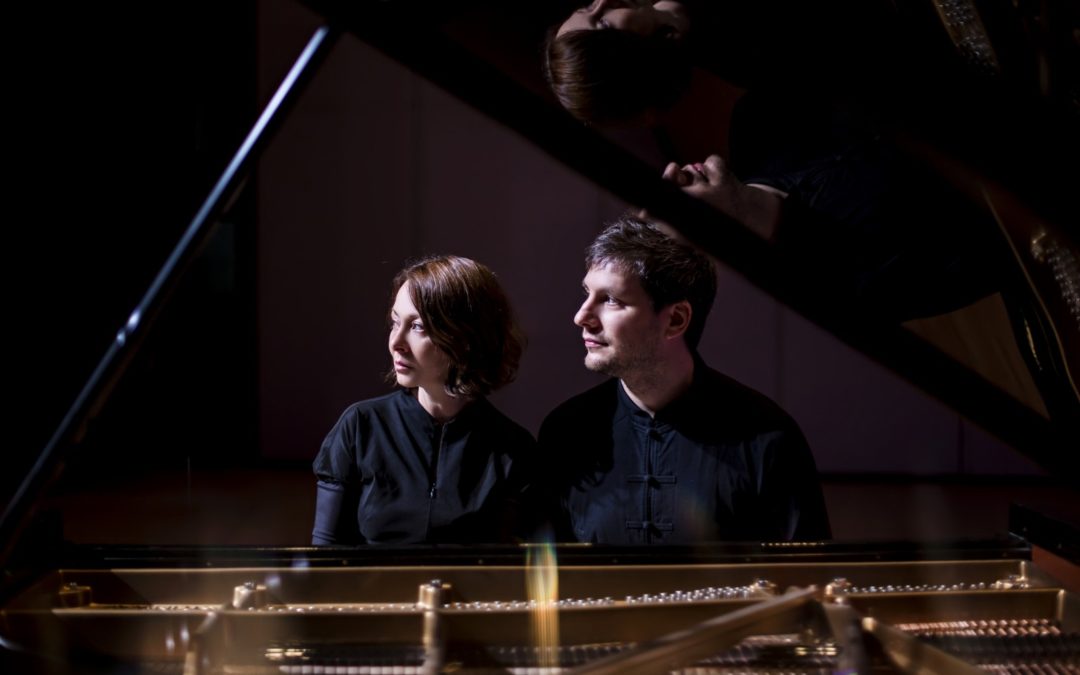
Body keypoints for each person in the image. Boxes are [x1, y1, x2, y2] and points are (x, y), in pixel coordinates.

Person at [538, 218, 831, 544]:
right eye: (587, 294)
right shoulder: (565, 432)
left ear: (675, 320)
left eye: (611, 299)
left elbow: (804, 580)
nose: (581, 316)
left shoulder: (768, 437)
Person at [311, 255, 538, 545]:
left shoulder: (513, 450)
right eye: (395, 323)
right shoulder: (360, 427)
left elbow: (515, 571)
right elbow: (325, 555)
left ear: (464, 338)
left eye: (417, 326)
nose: (396, 342)